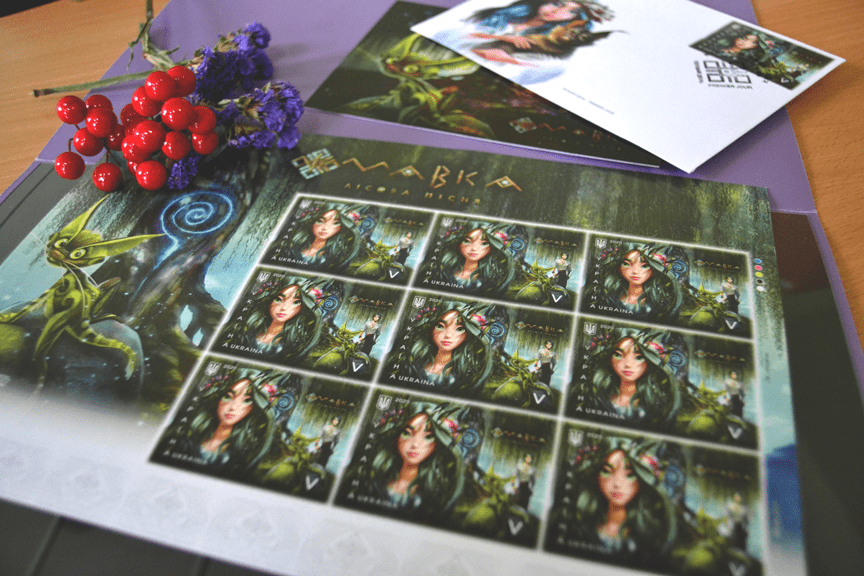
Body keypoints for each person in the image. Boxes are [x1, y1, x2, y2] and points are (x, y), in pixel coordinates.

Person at [345, 402, 475, 517]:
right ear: (396, 436)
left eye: (428, 437)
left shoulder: (436, 492)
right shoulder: (369, 478)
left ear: (438, 442)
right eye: (406, 433)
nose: (415, 444)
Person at [563, 437, 676, 562]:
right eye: (607, 471)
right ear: (597, 475)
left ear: (641, 479)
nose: (617, 483)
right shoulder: (580, 527)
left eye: (629, 474)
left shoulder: (649, 536)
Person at [157, 371, 276, 474]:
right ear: (217, 398)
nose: (233, 407)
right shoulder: (185, 435)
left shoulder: (245, 453)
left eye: (247, 401)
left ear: (255, 407)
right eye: (228, 397)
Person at [387, 302, 497, 396]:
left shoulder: (467, 376)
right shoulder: (410, 365)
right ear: (430, 330)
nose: (448, 335)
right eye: (440, 326)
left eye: (459, 329)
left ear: (467, 334)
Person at [579, 328, 681, 426]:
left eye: (639, 357)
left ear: (649, 361)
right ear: (609, 359)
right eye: (618, 355)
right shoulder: (597, 398)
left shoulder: (655, 404)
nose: (628, 364)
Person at [466, 1, 613, 65]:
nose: (556, 11)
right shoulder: (498, 17)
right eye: (558, 3)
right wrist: (506, 38)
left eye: (572, 12)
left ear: (575, 20)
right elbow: (463, 36)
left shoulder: (543, 41)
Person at [224, 276, 329, 364]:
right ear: (269, 301)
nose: (284, 308)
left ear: (303, 307)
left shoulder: (294, 346)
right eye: (278, 299)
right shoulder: (244, 332)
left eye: (296, 302)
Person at [587, 243, 683, 322]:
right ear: (618, 268)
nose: (635, 272)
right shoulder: (607, 297)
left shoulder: (660, 304)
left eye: (644, 266)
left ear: (654, 269)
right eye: (626, 264)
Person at [423, 220, 521, 296]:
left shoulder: (491, 280)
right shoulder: (442, 272)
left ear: (492, 248)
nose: (474, 248)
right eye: (467, 241)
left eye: (484, 243)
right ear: (458, 244)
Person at [277, 203, 366, 272]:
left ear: (341, 227)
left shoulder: (335, 258)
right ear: (312, 222)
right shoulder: (292, 247)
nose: (325, 228)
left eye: (335, 223)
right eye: (320, 221)